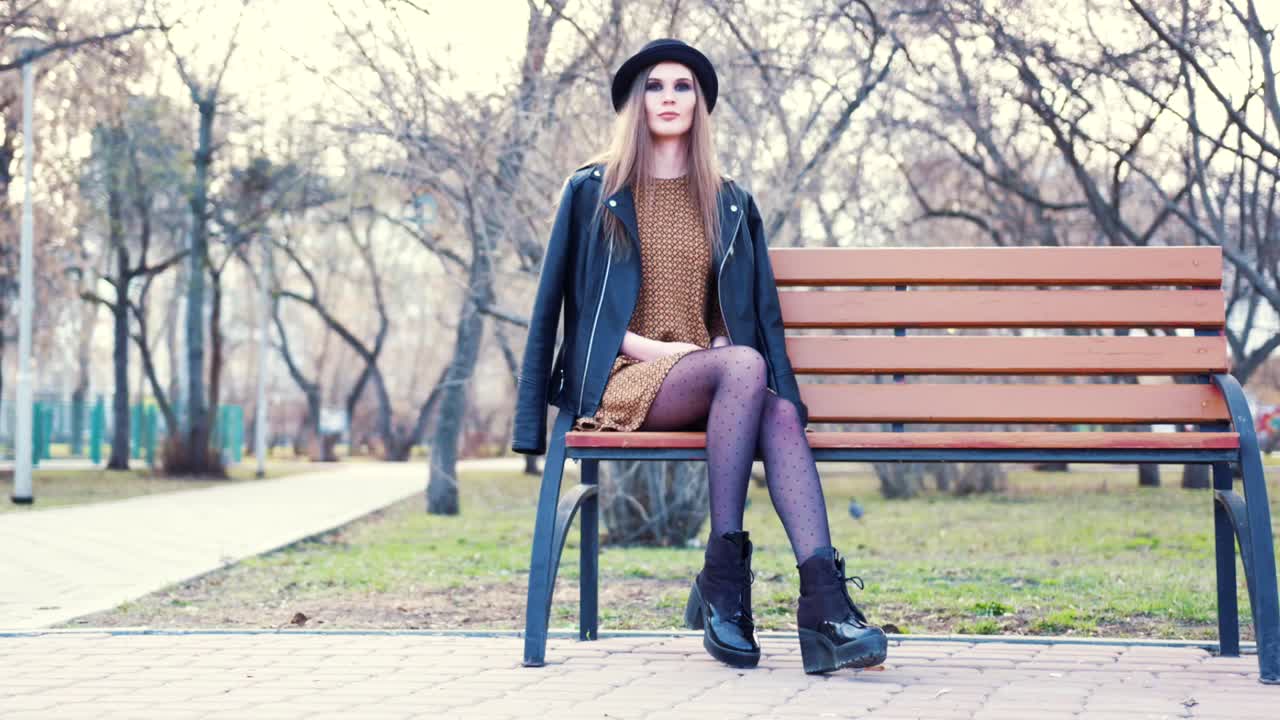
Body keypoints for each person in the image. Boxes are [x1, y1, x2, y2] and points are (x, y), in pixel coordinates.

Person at [511, 38, 887, 674]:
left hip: (706, 381)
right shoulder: (592, 191)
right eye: (654, 86)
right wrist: (536, 416)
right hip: (621, 378)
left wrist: (747, 368)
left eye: (682, 87)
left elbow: (750, 314)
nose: (668, 98)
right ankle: (725, 573)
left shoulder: (729, 200)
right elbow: (562, 305)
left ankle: (823, 607)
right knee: (742, 367)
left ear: (700, 104)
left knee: (776, 410)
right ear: (635, 102)